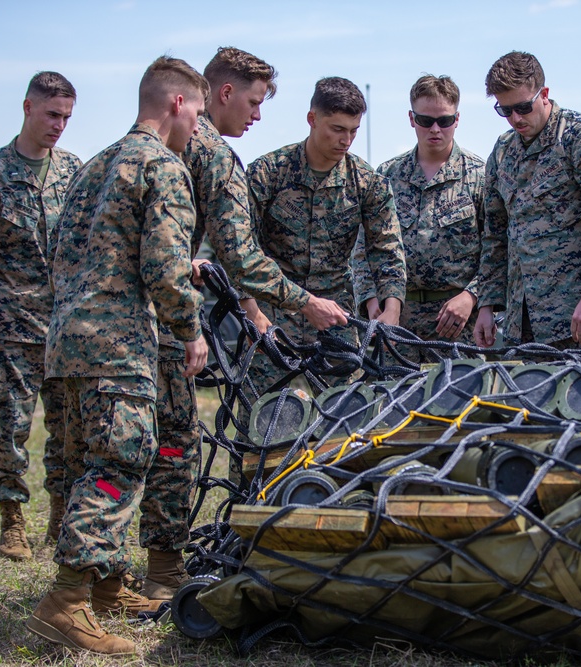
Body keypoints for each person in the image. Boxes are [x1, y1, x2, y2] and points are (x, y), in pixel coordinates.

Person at [138, 47, 348, 601]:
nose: (258, 116)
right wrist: (303, 302)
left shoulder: (141, 147)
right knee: (174, 443)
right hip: (162, 321)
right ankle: (161, 574)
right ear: (222, 93)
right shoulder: (213, 153)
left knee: (125, 445)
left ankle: (111, 577)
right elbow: (241, 253)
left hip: (130, 316)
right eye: (254, 102)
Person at [26, 56, 209, 655]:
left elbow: (59, 254)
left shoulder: (95, 165)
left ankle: (105, 591)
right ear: (177, 104)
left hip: (69, 346)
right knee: (118, 466)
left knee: (86, 464)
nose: (198, 129)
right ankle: (66, 604)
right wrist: (189, 331)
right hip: (118, 347)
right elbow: (164, 265)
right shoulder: (163, 166)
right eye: (199, 114)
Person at [0, 72, 82, 560]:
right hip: (9, 326)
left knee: (68, 429)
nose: (59, 125)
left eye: (67, 116)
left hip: (66, 328)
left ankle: (59, 514)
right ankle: (11, 519)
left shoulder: (75, 171)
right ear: (27, 107)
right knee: (11, 426)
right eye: (52, 114)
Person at [247, 76, 405, 392]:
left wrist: (392, 307)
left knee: (342, 415)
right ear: (312, 119)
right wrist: (252, 312)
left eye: (354, 131)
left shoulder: (365, 182)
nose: (346, 140)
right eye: (337, 129)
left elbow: (386, 247)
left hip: (336, 315)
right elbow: (238, 246)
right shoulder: (267, 173)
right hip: (273, 311)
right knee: (264, 418)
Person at [473, 51, 581, 351]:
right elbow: (495, 235)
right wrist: (487, 305)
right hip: (526, 325)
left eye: (523, 107)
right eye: (505, 110)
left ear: (544, 94)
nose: (516, 118)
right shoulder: (504, 151)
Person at [351, 74, 484, 345]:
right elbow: (363, 246)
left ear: (457, 120)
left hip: (456, 323)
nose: (435, 129)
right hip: (394, 320)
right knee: (392, 388)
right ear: (412, 119)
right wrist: (370, 298)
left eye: (444, 121)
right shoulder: (386, 175)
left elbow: (497, 250)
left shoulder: (479, 176)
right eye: (425, 121)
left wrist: (471, 297)